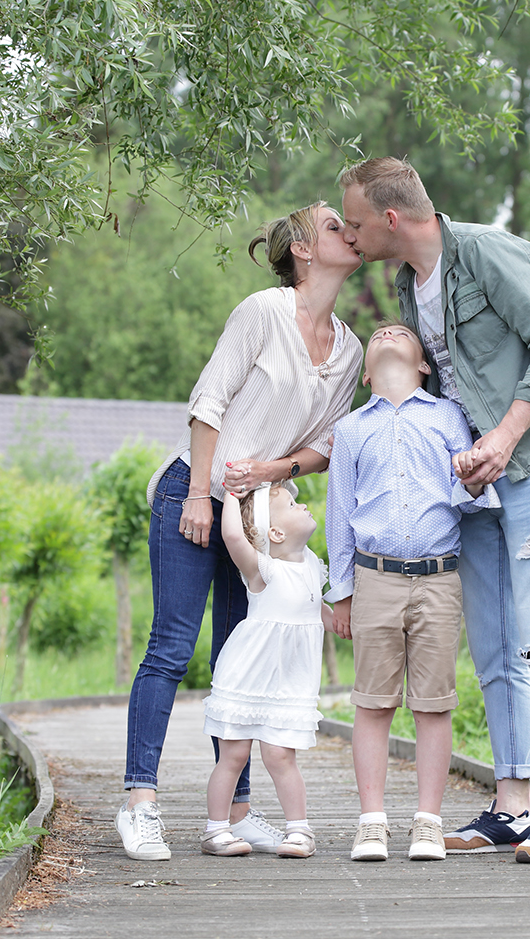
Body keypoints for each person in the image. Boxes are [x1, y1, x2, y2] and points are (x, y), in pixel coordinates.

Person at [339, 158, 530, 863]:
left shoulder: (491, 251)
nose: (349, 237)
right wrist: (468, 457)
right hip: (478, 480)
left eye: (352, 223)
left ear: (391, 218)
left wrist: (500, 439)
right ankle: (512, 802)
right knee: (496, 645)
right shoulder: (411, 287)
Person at [118, 203, 364, 861]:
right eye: (336, 224)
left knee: (240, 657)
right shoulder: (262, 310)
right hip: (193, 491)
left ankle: (242, 810)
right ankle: (140, 802)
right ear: (306, 250)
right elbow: (209, 401)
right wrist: (200, 493)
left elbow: (326, 445)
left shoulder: (349, 350)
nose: (351, 231)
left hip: (260, 514)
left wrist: (275, 470)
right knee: (172, 647)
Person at [325, 322, 495, 862]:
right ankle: (371, 821)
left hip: (439, 579)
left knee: (433, 704)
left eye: (401, 332)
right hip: (374, 577)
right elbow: (339, 514)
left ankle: (427, 821)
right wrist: (342, 590)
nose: (388, 332)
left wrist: (471, 482)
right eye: (378, 334)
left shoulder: (446, 417)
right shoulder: (351, 429)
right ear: (366, 372)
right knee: (372, 703)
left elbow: (467, 494)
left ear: (424, 365)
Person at [200, 484, 330, 859]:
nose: (302, 503)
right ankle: (216, 830)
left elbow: (310, 602)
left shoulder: (310, 564)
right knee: (234, 755)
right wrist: (231, 495)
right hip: (248, 675)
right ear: (274, 533)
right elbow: (230, 534)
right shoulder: (262, 569)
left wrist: (333, 618)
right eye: (292, 504)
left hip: (289, 682)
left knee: (280, 756)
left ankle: (299, 830)